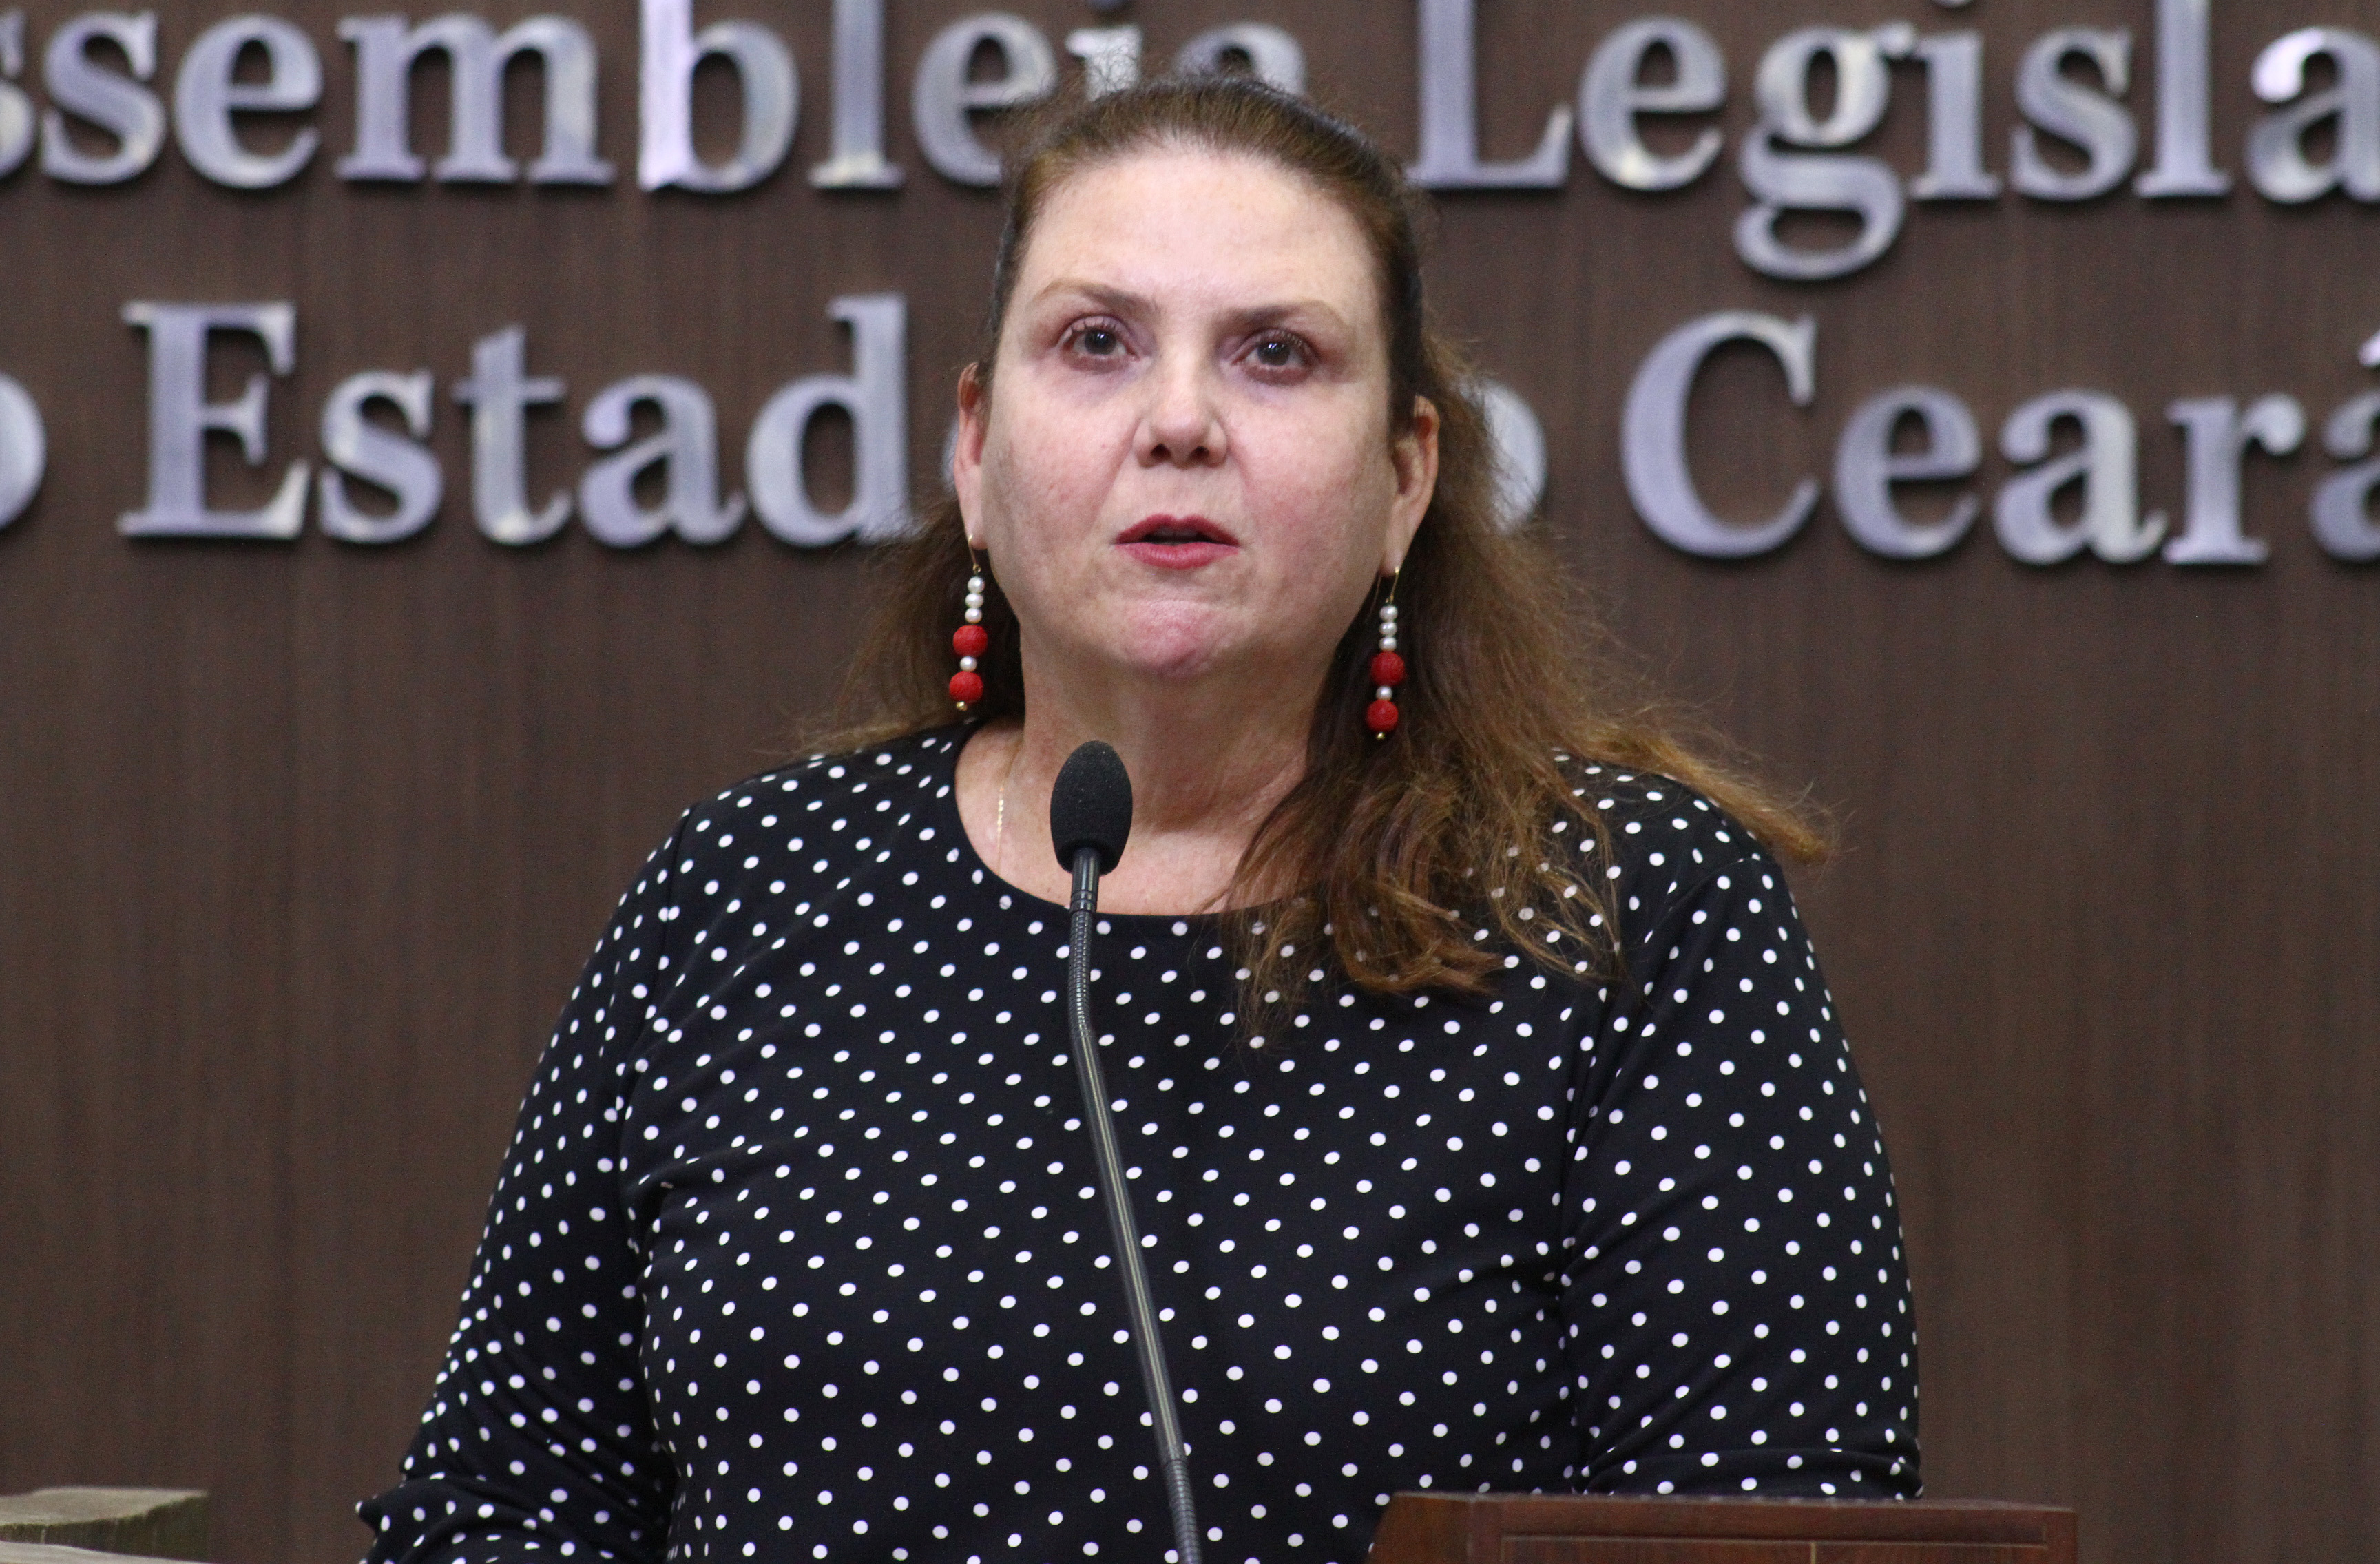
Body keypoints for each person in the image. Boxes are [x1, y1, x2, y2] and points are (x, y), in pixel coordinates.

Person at [362, 77, 1919, 1564]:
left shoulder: (1623, 912)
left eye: (1276, 355)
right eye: (1097, 342)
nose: (1180, 421)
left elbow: (1780, 1524)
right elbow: (499, 1505)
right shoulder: (745, 895)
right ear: (978, 454)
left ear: (1405, 477)